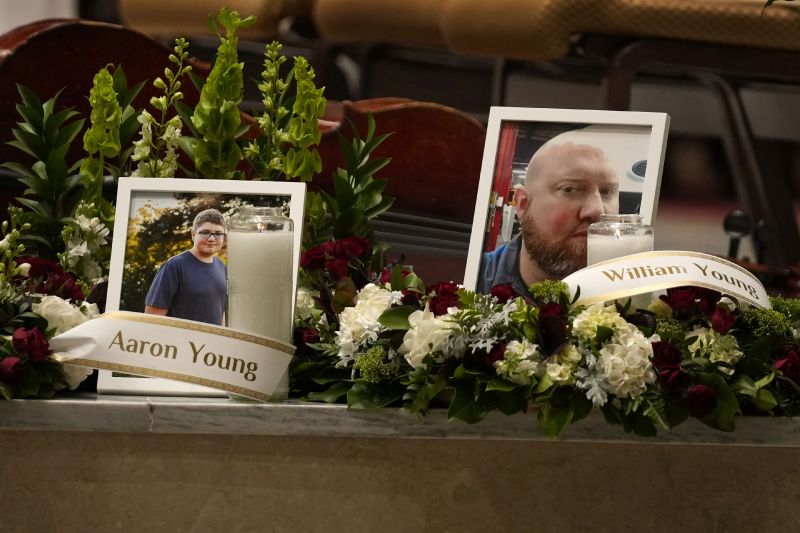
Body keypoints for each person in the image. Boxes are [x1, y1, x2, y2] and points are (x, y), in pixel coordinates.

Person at [478, 128, 620, 299]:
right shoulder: (470, 280)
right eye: (571, 189)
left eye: (606, 191)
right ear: (522, 204)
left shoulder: (633, 293)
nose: (597, 211)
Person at [144, 208, 227, 325]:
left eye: (218, 234)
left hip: (212, 342)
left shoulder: (221, 267)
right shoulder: (174, 266)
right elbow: (152, 319)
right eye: (205, 232)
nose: (212, 238)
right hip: (180, 342)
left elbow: (220, 312)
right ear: (193, 234)